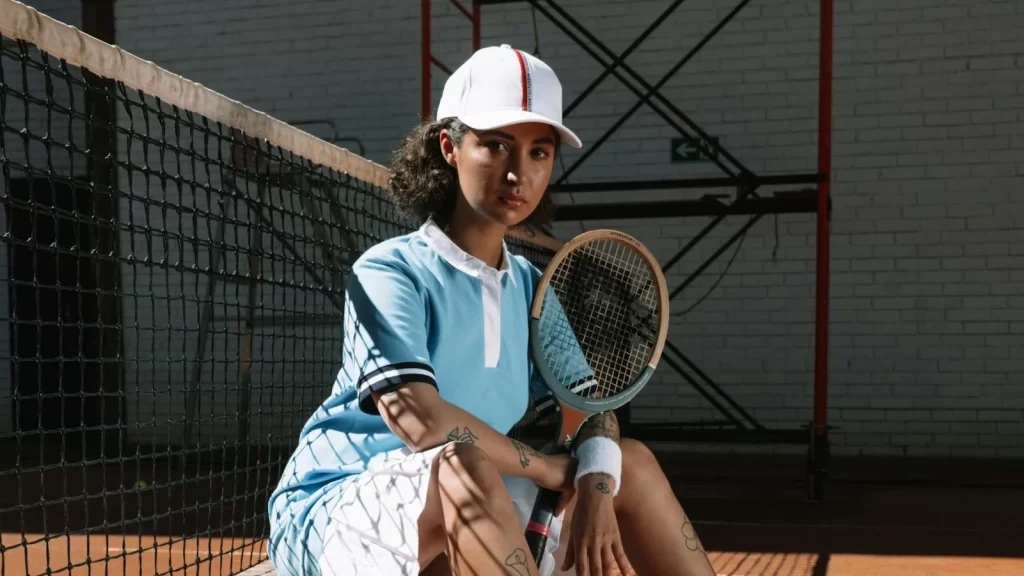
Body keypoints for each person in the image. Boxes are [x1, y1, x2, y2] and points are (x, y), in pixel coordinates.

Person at [266, 44, 717, 576]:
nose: (517, 174)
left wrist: (596, 482)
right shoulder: (389, 271)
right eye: (496, 146)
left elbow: (592, 412)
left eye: (539, 152)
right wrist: (549, 468)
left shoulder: (531, 287)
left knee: (630, 465)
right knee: (461, 462)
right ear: (449, 146)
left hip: (472, 494)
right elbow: (422, 423)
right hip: (339, 514)